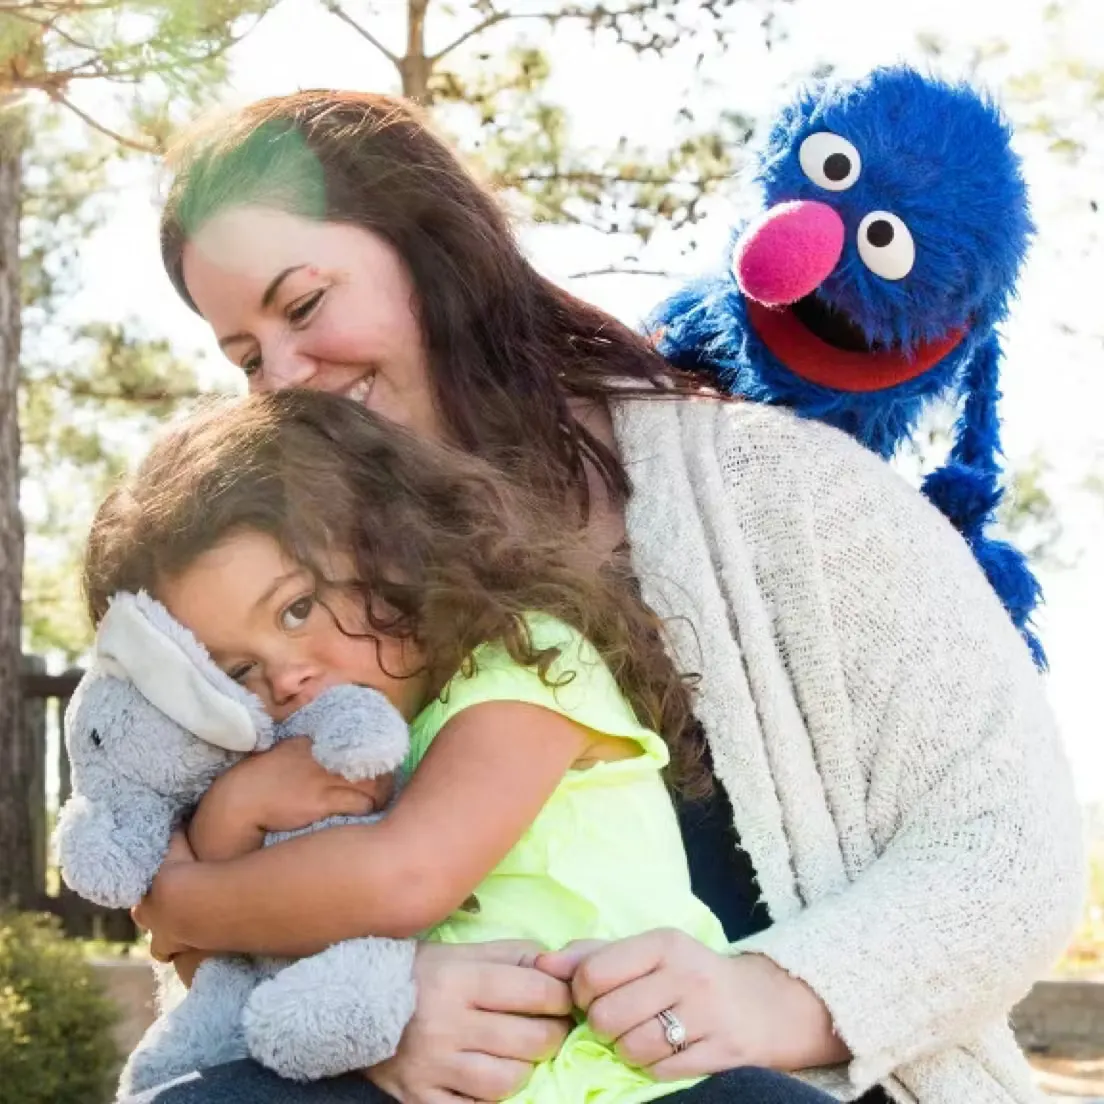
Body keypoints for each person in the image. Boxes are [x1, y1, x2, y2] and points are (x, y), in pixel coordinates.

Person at [122, 89, 1083, 1104]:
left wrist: (766, 993)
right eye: (246, 358)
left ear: (428, 246)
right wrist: (374, 1013)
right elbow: (230, 922)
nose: (284, 377)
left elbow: (1006, 849)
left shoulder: (785, 489)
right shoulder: (302, 591)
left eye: (305, 306)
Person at [86, 388, 747, 1103]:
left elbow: (404, 879)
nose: (286, 676)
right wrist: (235, 810)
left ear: (391, 542)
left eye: (297, 608)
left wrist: (178, 903)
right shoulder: (307, 759)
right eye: (238, 669)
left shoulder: (528, 665)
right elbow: (234, 970)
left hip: (629, 1079)